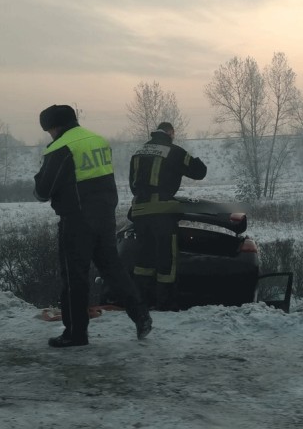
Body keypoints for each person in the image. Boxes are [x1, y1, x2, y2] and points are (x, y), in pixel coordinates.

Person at [34, 104, 152, 347]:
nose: (50, 135)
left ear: (54, 127)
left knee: (74, 277)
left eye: (48, 130)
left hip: (77, 220)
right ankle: (140, 314)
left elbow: (43, 191)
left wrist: (40, 174)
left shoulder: (61, 148)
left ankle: (75, 334)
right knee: (113, 270)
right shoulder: (98, 141)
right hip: (105, 216)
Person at [129, 122, 207, 310]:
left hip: (140, 211)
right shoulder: (174, 151)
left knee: (144, 260)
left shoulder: (139, 152)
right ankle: (166, 304)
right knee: (167, 259)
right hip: (162, 213)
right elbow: (199, 172)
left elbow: (133, 184)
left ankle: (143, 302)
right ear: (171, 133)